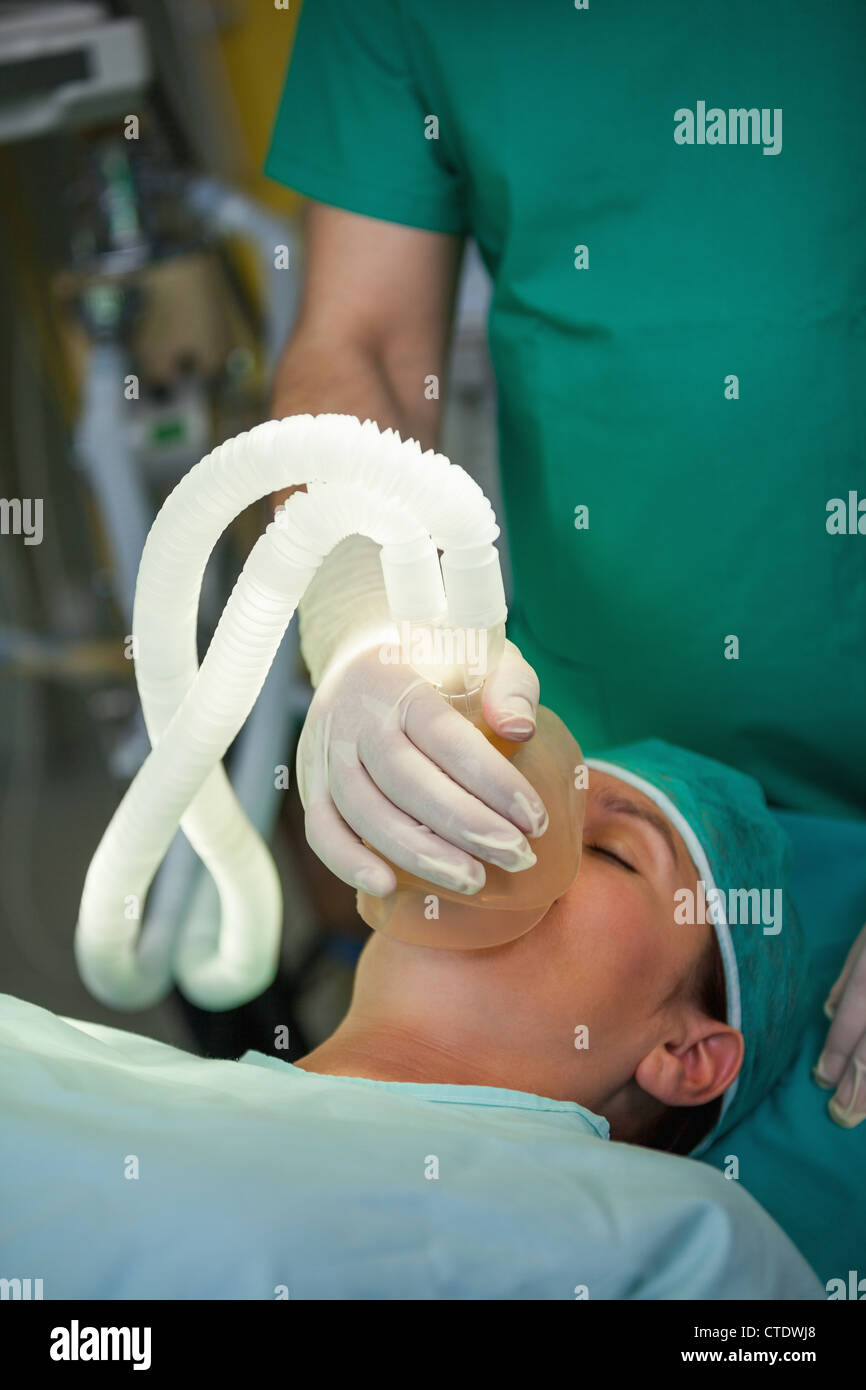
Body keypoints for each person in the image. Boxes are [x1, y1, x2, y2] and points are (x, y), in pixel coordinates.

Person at [263, 0, 866, 1130]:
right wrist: (361, 620)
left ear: (686, 1056)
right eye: (590, 828)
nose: (536, 817)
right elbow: (361, 344)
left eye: (607, 854)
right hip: (598, 705)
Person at [0, 734, 821, 1298]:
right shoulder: (46, 1057)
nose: (513, 831)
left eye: (609, 849)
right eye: (511, 794)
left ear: (686, 1055)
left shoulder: (687, 1243)